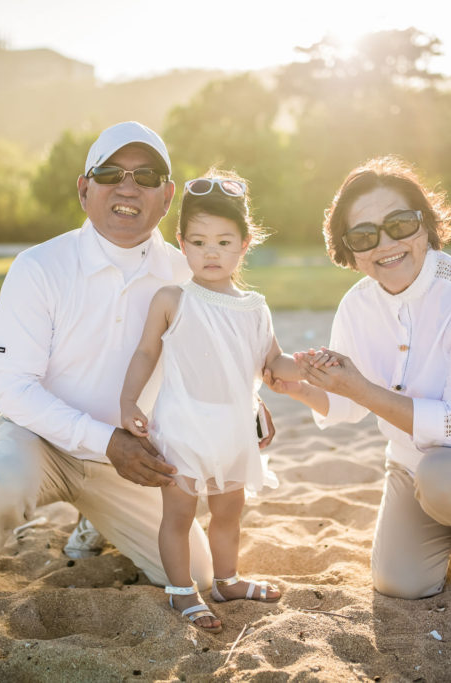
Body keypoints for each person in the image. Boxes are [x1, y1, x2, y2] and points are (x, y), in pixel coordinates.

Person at [0, 122, 274, 614]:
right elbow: (15, 390)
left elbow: (224, 350)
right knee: (3, 477)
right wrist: (105, 439)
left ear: (167, 196)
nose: (128, 186)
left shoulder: (187, 271)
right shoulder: (38, 266)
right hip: (40, 442)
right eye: (110, 173)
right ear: (84, 188)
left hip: (133, 457)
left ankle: (97, 519)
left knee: (196, 573)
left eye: (147, 176)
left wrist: (251, 400)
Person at [265, 156, 451, 604]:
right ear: (349, 251)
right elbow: (349, 403)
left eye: (400, 224)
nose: (385, 243)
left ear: (426, 224)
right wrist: (301, 389)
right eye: (364, 235)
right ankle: (449, 521)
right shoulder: (356, 305)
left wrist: (361, 388)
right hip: (413, 464)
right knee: (399, 583)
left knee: (445, 480)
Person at [120, 170, 294, 633]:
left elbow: (270, 360)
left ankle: (227, 580)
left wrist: (307, 371)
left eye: (222, 241)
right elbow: (144, 353)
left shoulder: (254, 306)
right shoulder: (173, 299)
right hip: (183, 427)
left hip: (234, 431)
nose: (210, 252)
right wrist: (128, 401)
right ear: (181, 243)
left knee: (228, 512)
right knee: (178, 513)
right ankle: (181, 593)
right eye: (198, 242)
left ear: (244, 242)